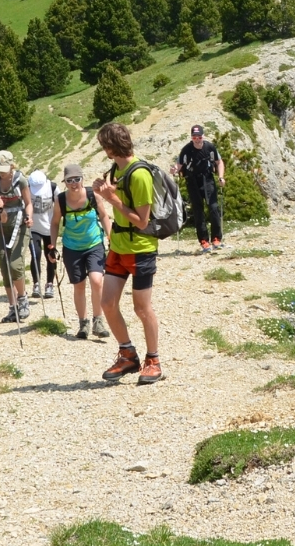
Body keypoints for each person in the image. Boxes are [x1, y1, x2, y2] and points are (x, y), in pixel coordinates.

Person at [91, 123, 164, 384]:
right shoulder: (115, 170)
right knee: (107, 304)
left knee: (142, 308)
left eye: (104, 146)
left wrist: (112, 200)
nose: (103, 150)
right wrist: (103, 192)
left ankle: (153, 361)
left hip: (141, 249)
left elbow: (142, 221)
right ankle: (128, 355)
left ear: (110, 148)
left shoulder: (140, 174)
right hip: (119, 247)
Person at [51, 162, 112, 340]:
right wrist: (52, 246)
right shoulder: (60, 200)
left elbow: (104, 216)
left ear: (82, 179)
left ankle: (98, 321)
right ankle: (83, 324)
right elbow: (55, 223)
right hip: (72, 247)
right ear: (64, 182)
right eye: (69, 180)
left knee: (97, 280)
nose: (73, 183)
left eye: (76, 179)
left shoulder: (93, 195)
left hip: (94, 244)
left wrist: (111, 238)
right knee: (79, 285)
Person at [0, 150, 32, 324]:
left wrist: (29, 217)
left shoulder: (20, 180)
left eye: (4, 169)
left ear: (12, 165)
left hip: (19, 225)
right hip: (0, 227)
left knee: (15, 265)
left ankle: (22, 299)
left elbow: (28, 203)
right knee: (5, 268)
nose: (1, 172)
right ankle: (13, 307)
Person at [176, 123, 226, 253]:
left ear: (203, 136)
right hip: (192, 181)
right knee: (198, 211)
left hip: (208, 179)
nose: (197, 139)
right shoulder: (186, 150)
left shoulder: (210, 147)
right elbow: (178, 165)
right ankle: (204, 241)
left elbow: (219, 162)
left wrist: (221, 177)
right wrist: (174, 170)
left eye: (199, 137)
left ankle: (216, 239)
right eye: (194, 137)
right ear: (191, 137)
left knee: (213, 208)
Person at [26, 168, 60, 301]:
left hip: (49, 228)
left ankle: (50, 284)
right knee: (36, 254)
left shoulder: (53, 188)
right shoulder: (26, 188)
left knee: (50, 255)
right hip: (33, 228)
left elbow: (60, 204)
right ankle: (36, 284)